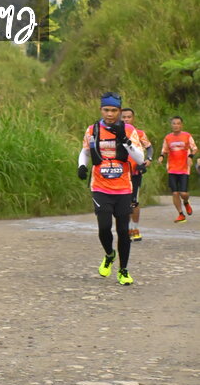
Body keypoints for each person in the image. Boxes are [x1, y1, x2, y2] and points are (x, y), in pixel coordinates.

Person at [77, 92, 144, 285]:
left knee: (123, 231)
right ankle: (109, 254)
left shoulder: (128, 129)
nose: (110, 114)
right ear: (101, 110)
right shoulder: (93, 130)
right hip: (100, 187)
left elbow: (139, 158)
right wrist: (82, 166)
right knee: (104, 227)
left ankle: (123, 270)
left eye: (114, 110)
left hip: (123, 188)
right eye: (106, 110)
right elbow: (85, 151)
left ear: (119, 111)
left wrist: (124, 140)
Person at [121, 107, 153, 241]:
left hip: (135, 172)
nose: (126, 119)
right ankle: (126, 229)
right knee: (123, 203)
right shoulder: (114, 133)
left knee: (134, 202)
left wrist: (148, 159)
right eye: (123, 117)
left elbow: (149, 147)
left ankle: (135, 228)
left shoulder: (139, 133)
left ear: (133, 118)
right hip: (120, 173)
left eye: (129, 117)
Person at [157, 116, 197, 222]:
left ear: (181, 125)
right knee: (175, 193)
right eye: (174, 123)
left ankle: (186, 202)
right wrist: (161, 157)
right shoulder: (168, 137)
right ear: (171, 125)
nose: (176, 125)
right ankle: (181, 214)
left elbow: (194, 148)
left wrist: (190, 157)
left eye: (178, 123)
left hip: (184, 168)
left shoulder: (187, 136)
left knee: (183, 193)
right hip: (172, 168)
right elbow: (164, 150)